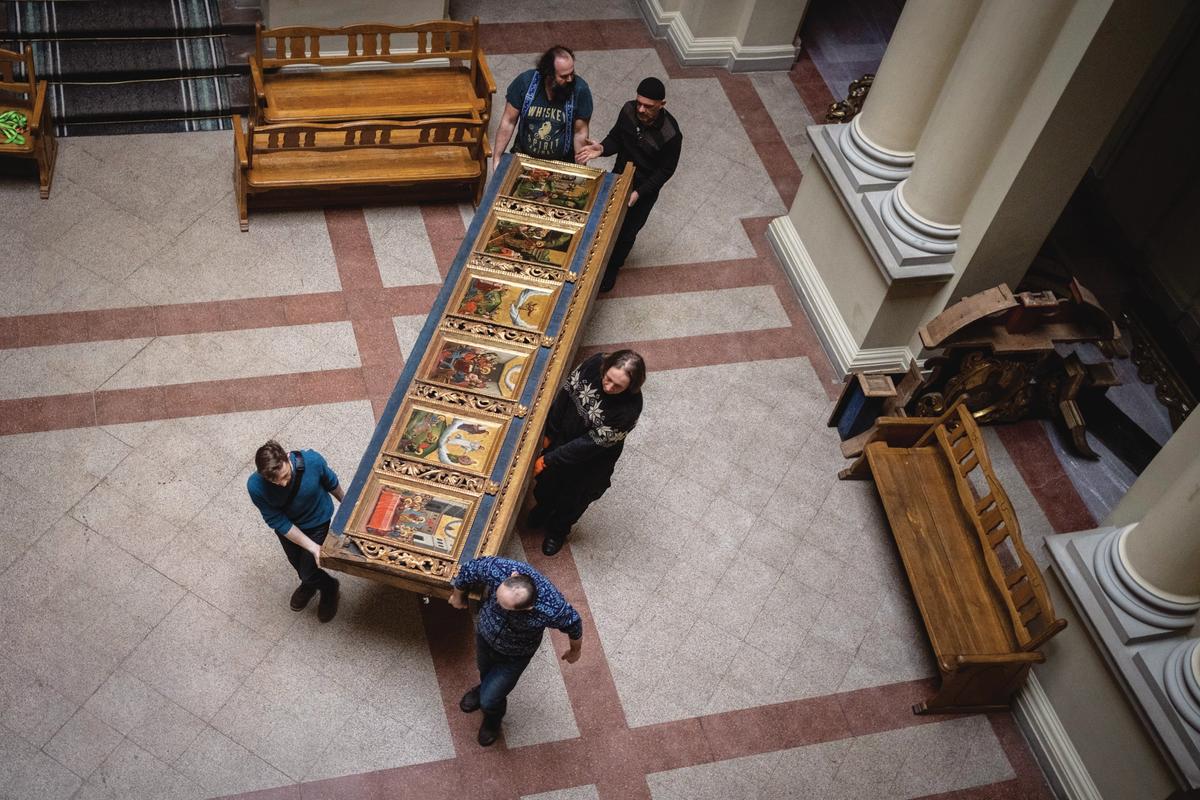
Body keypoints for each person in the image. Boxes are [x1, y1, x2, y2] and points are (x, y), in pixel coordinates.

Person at [449, 556, 583, 746]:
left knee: (490, 700)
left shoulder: (552, 608)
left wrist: (574, 651)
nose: (496, 602)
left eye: (504, 606)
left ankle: (492, 716)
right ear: (512, 576)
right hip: (485, 635)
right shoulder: (501, 569)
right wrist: (457, 595)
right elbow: (469, 569)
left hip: (515, 654)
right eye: (497, 596)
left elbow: (574, 624)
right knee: (484, 669)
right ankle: (483, 688)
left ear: (528, 607)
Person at [529, 350, 645, 555]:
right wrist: (551, 432)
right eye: (607, 379)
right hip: (563, 438)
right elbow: (566, 392)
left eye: (618, 386)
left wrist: (549, 459)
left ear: (631, 387)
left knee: (573, 499)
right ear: (604, 367)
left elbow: (589, 444)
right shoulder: (593, 364)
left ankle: (557, 531)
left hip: (591, 462)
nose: (608, 387)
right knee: (547, 485)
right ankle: (543, 508)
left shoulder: (629, 410)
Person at [576, 77, 682, 292]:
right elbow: (617, 137)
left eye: (648, 106)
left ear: (662, 105)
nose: (641, 110)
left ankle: (612, 268)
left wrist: (639, 193)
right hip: (620, 175)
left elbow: (665, 171)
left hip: (644, 188)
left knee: (626, 233)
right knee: (602, 218)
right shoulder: (628, 110)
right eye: (639, 103)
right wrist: (603, 148)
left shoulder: (671, 135)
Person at [247, 440, 343, 622]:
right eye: (273, 481)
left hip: (317, 521)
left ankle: (330, 587)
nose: (282, 484)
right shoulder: (255, 486)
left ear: (287, 458)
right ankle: (309, 583)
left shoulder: (312, 461)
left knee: (307, 571)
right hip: (289, 528)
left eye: (285, 476)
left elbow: (331, 483)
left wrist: (347, 504)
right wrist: (313, 548)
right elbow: (278, 521)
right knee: (298, 564)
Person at [492, 45, 593, 171]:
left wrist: (580, 171)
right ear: (549, 74)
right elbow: (508, 121)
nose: (570, 79)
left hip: (561, 164)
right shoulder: (525, 82)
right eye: (563, 76)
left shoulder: (580, 90)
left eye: (572, 73)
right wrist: (497, 158)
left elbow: (580, 133)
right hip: (523, 158)